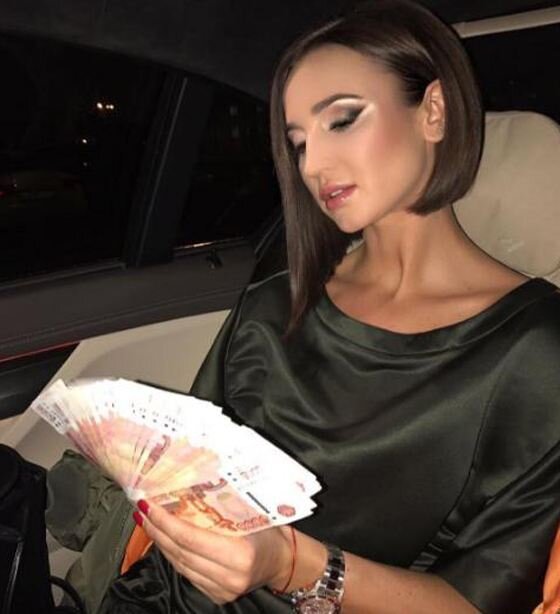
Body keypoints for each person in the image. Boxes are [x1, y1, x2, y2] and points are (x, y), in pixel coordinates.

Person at [92, 0, 560, 612]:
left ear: (434, 112)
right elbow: (194, 465)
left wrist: (291, 563)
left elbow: (481, 601)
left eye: (341, 120)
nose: (312, 165)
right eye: (298, 142)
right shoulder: (280, 292)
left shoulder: (534, 350)